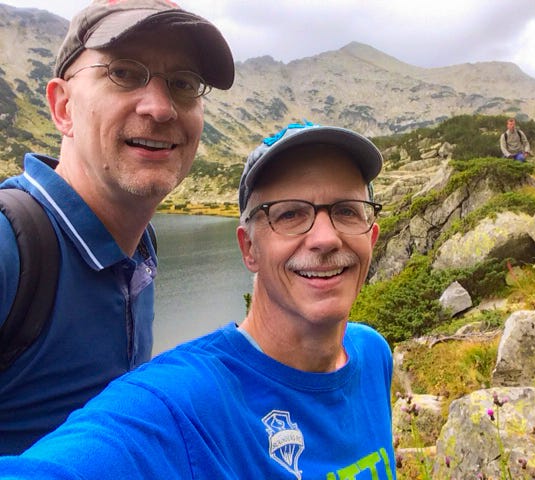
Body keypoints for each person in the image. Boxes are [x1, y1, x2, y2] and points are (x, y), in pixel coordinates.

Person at [0, 121, 397, 479]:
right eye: (290, 214)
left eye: (347, 211)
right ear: (249, 249)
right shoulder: (181, 404)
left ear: (372, 237)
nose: (326, 238)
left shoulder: (372, 353)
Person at [0, 0, 234, 454]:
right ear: (63, 106)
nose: (161, 108)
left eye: (184, 83)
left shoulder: (140, 246)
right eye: (124, 73)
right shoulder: (12, 247)